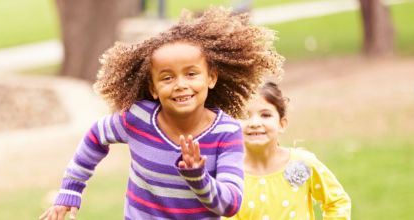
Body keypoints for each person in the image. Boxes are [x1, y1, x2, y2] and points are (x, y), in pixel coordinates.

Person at [40, 8, 284, 220]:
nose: (180, 84)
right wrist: (72, 188)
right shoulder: (138, 119)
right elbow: (96, 136)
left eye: (191, 74)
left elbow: (231, 204)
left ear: (211, 78)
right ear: (153, 88)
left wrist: (198, 177)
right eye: (167, 77)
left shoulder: (226, 132)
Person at [226, 82, 351, 219]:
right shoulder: (229, 174)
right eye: (244, 115)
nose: (255, 123)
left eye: (266, 115)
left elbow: (337, 202)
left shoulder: (303, 163)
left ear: (282, 124)